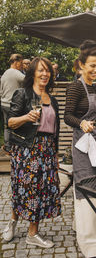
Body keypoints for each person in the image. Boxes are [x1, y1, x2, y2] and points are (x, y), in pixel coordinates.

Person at [2, 57, 61, 248]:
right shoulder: (22, 94)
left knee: (41, 191)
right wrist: (26, 117)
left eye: (47, 71)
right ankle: (13, 220)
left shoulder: (52, 99)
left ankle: (32, 233)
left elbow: (55, 130)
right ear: (33, 73)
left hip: (47, 150)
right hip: (27, 149)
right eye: (40, 70)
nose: (45, 74)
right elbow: (10, 123)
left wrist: (55, 155)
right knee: (24, 189)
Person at [64, 40, 96, 258]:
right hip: (82, 146)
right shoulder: (75, 87)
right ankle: (92, 246)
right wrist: (81, 123)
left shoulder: (94, 87)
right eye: (92, 66)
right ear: (81, 65)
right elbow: (67, 115)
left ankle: (87, 230)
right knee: (85, 189)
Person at [0, 54, 25, 153]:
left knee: (7, 126)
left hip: (4, 103)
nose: (22, 65)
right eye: (21, 63)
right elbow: (28, 80)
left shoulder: (5, 73)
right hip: (13, 104)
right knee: (16, 125)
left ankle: (7, 146)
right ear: (16, 62)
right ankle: (14, 147)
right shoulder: (15, 73)